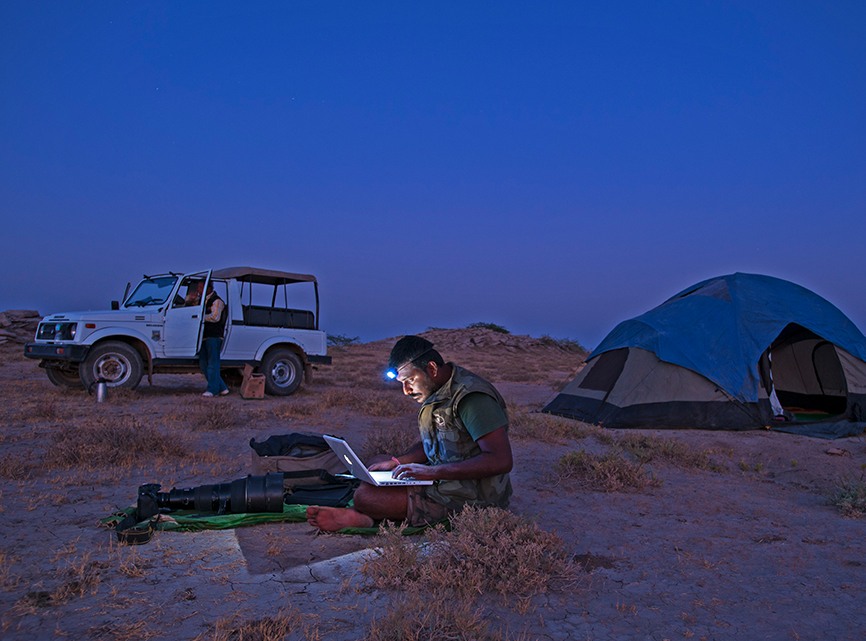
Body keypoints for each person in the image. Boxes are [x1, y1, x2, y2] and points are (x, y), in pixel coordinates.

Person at [306, 335, 513, 531]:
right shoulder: (438, 391)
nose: (406, 390)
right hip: (443, 478)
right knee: (377, 463)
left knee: (366, 498)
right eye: (402, 383)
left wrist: (434, 472)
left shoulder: (472, 399)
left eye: (410, 380)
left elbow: (500, 460)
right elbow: (438, 442)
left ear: (432, 369)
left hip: (471, 495)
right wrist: (398, 461)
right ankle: (368, 512)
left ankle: (364, 516)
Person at [198, 282, 229, 397]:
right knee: (203, 364)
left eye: (201, 287)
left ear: (209, 288)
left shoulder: (217, 301)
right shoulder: (202, 301)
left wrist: (199, 317)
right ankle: (222, 387)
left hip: (214, 336)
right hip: (205, 336)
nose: (199, 290)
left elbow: (215, 317)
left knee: (213, 363)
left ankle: (213, 389)